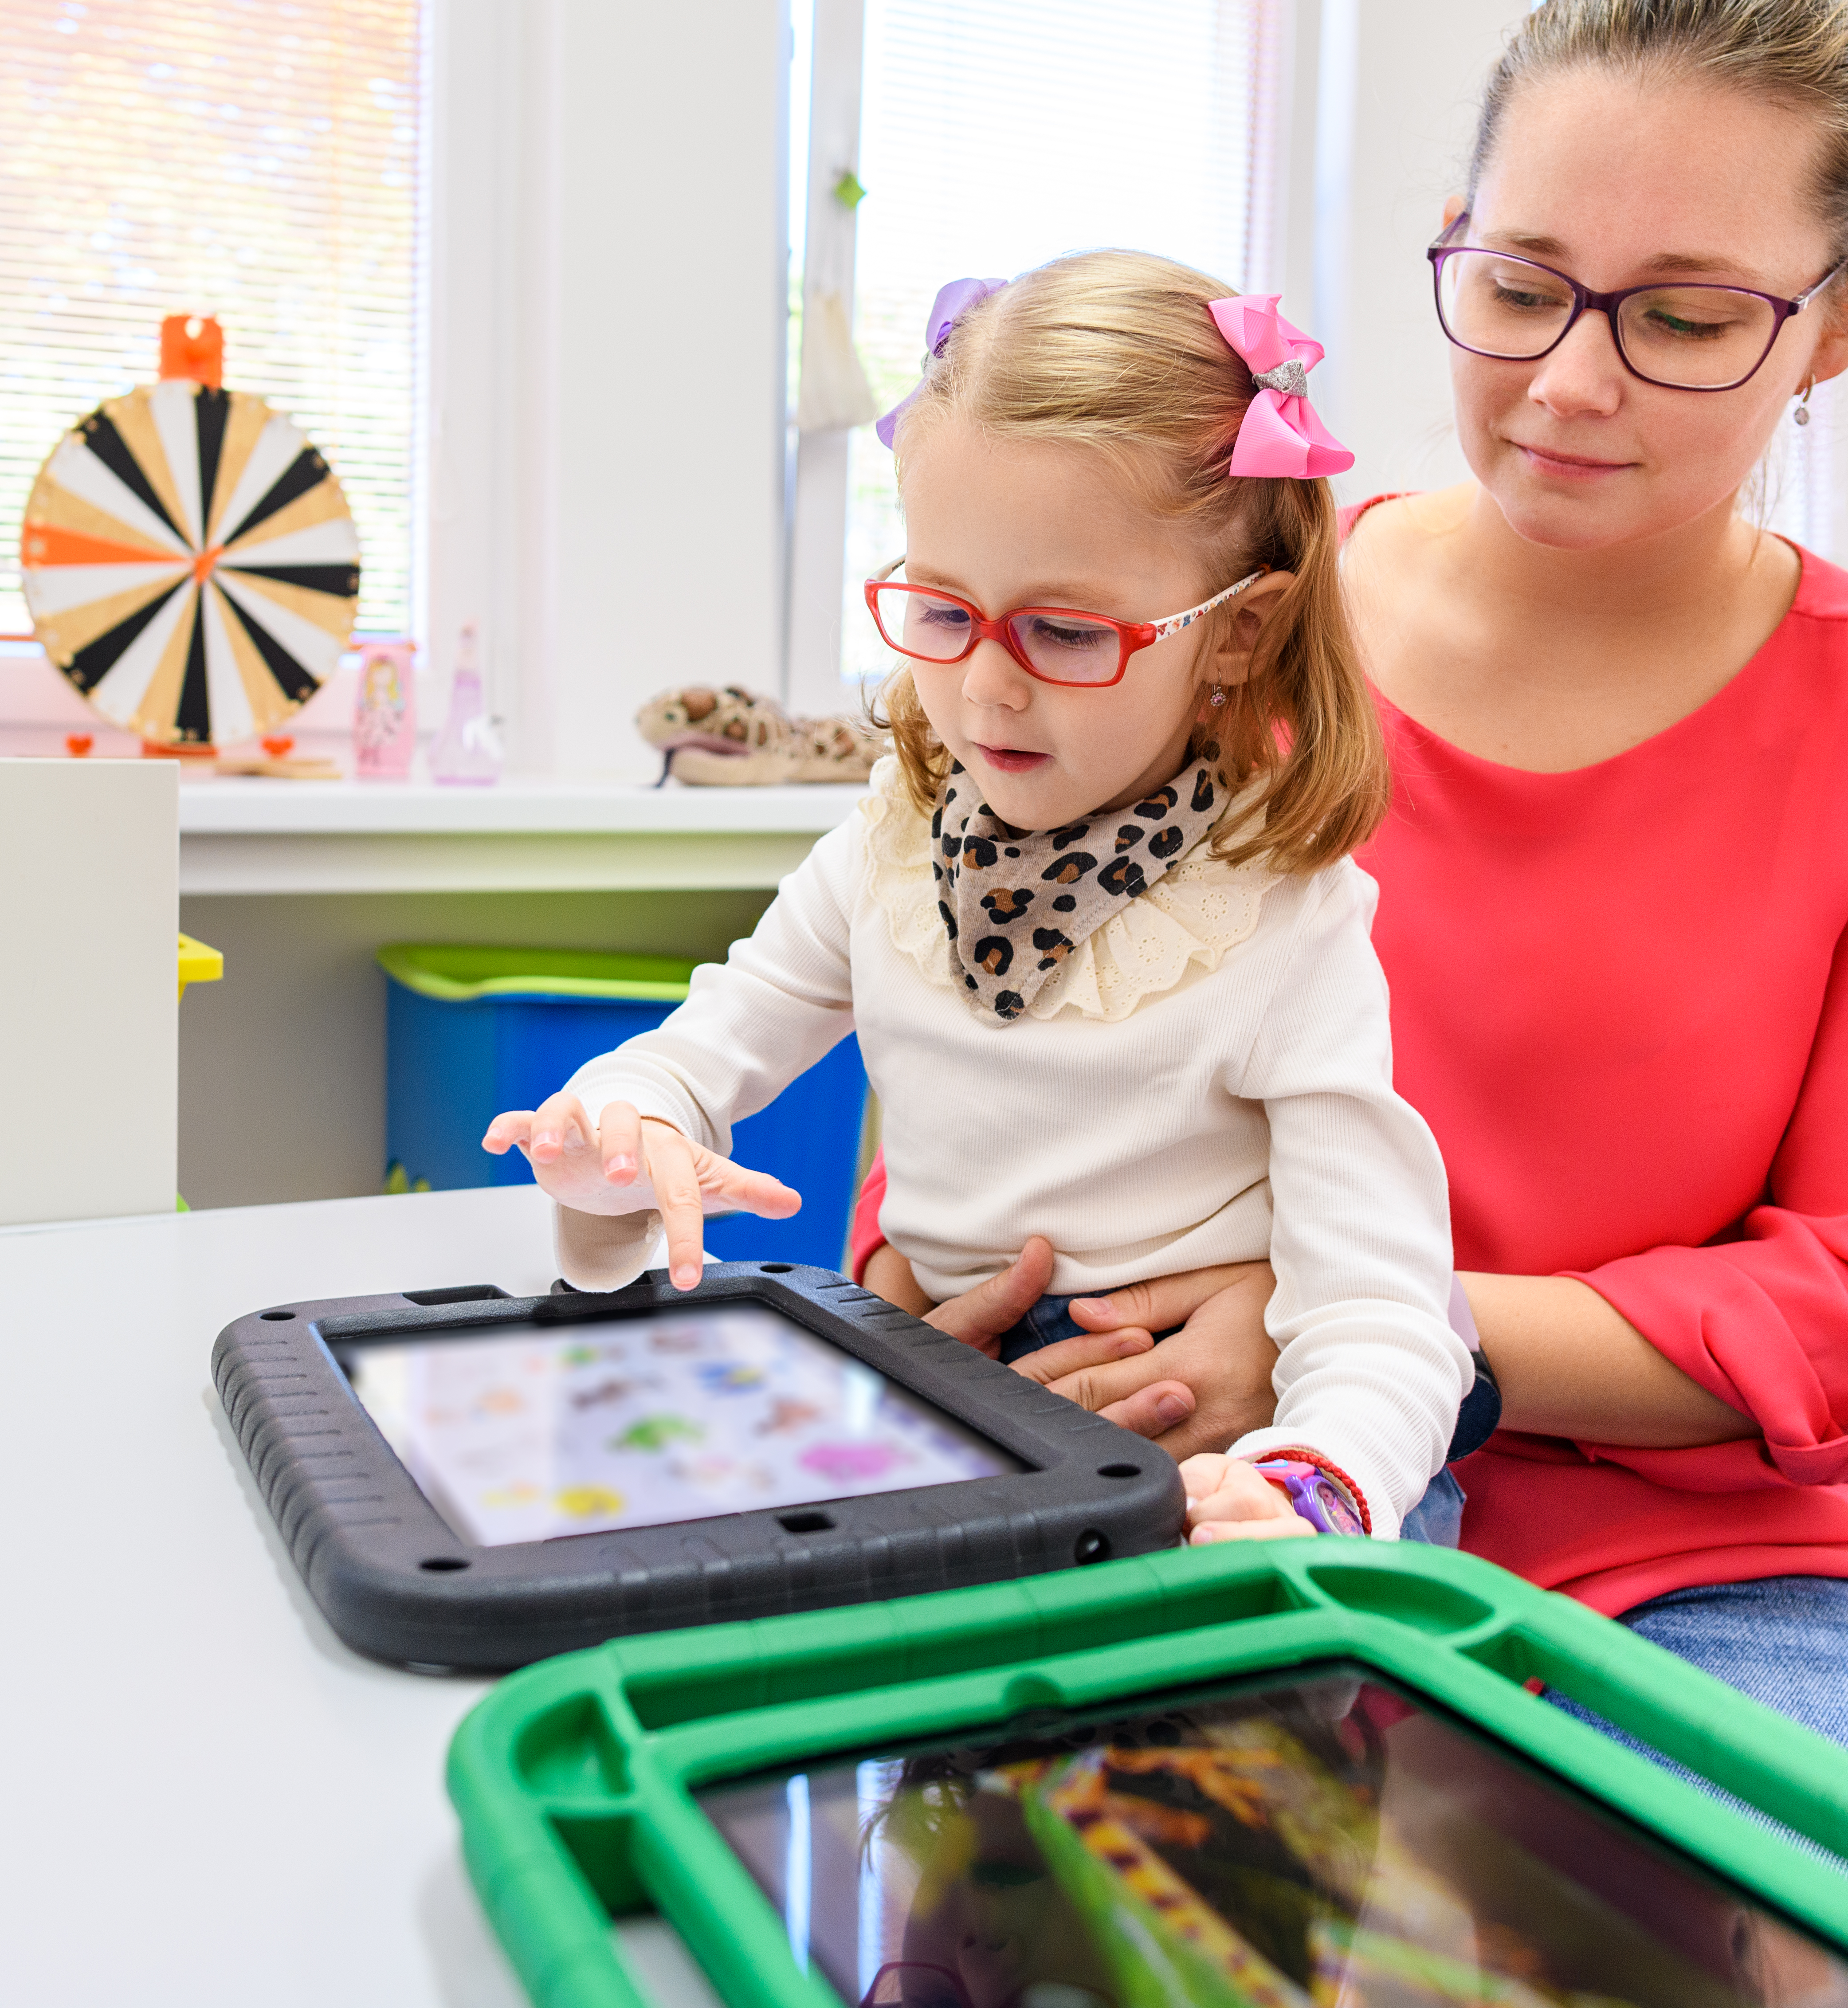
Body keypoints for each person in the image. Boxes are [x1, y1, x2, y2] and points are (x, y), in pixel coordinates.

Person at [867, 0, 1848, 1839]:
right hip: (1204, 1478)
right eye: (1520, 286)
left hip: (1721, 1578)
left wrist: (1359, 1318)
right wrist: (945, 1289)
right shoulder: (1229, 621)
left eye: (1684, 319)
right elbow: (983, 1025)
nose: (1571, 385)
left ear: (1841, 318)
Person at [482, 250, 1477, 1547]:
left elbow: (1384, 1308)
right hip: (960, 1400)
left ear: (1238, 631)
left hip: (1231, 1448)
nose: (987, 692)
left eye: (1065, 635)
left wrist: (1312, 1484)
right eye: (943, 611)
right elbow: (702, 1049)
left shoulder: (1285, 918)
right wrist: (626, 1134)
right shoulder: (889, 847)